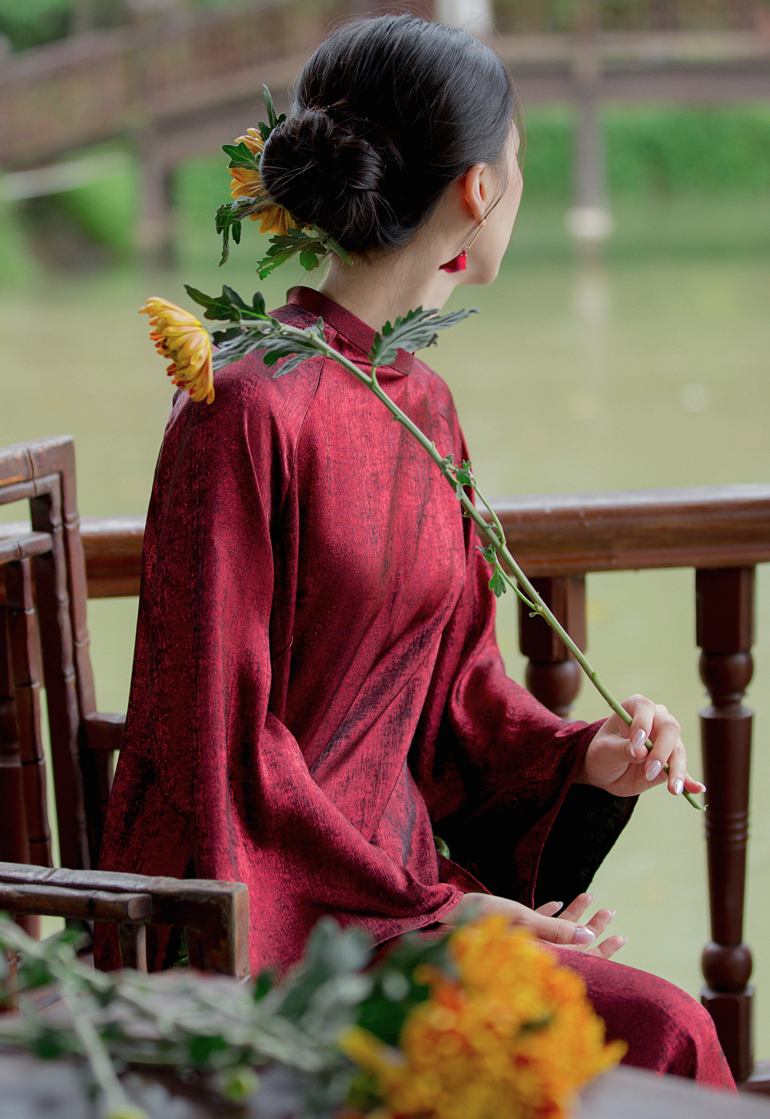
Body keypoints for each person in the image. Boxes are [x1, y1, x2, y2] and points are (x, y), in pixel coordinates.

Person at [96, 14, 733, 1088]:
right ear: (478, 190)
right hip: (287, 941)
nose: (515, 184)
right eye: (517, 159)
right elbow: (217, 746)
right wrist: (430, 917)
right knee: (659, 1036)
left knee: (655, 1035)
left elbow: (450, 701)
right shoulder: (240, 410)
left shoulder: (418, 403)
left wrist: (581, 759)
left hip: (398, 901)